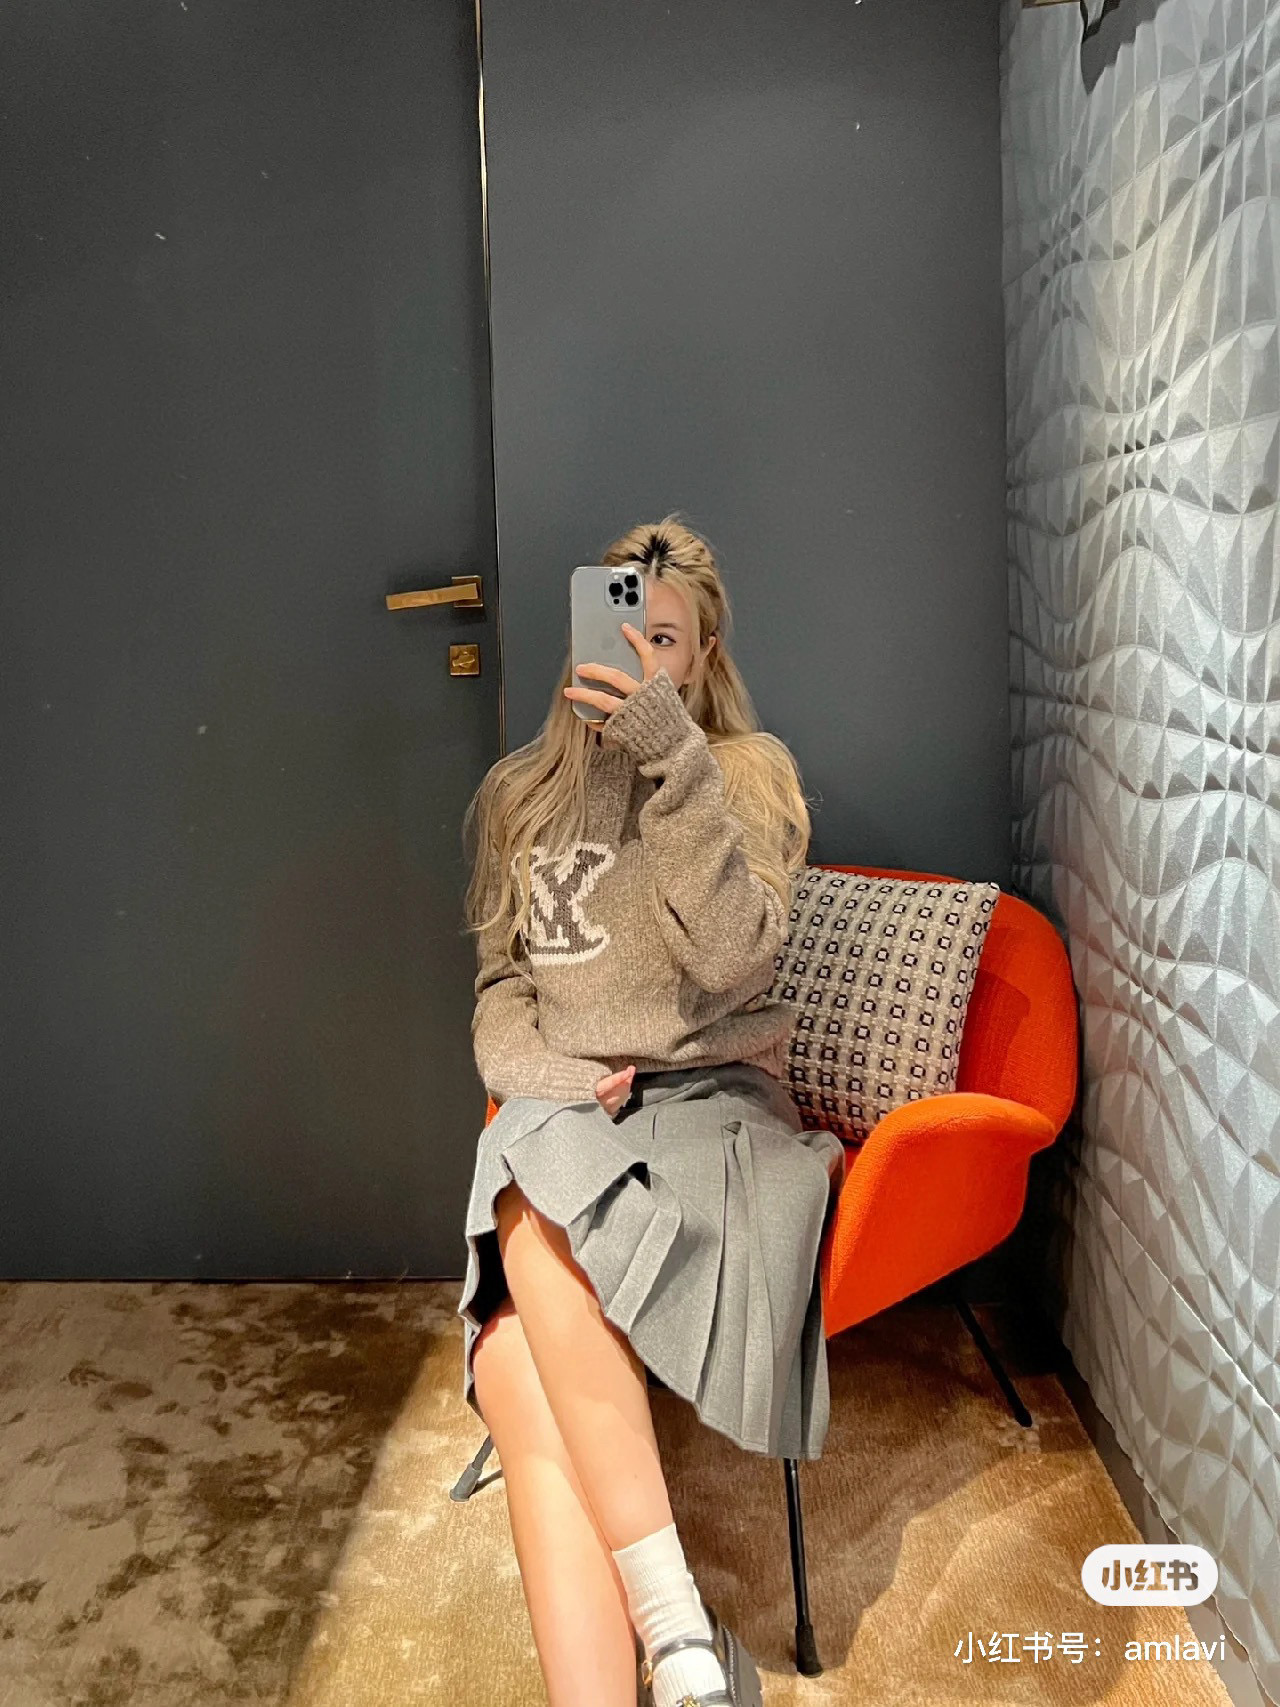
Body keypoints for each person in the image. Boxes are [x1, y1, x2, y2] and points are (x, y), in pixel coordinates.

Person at [456, 516, 845, 1707]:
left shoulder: (744, 777)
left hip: (715, 1117)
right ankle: (678, 1646)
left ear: (704, 652)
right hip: (572, 1109)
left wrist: (675, 765)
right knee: (531, 1164)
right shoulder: (520, 796)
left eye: (662, 638)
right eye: (620, 630)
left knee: (513, 1339)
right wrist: (562, 1082)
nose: (638, 656)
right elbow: (499, 994)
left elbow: (732, 961)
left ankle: (674, 1640)